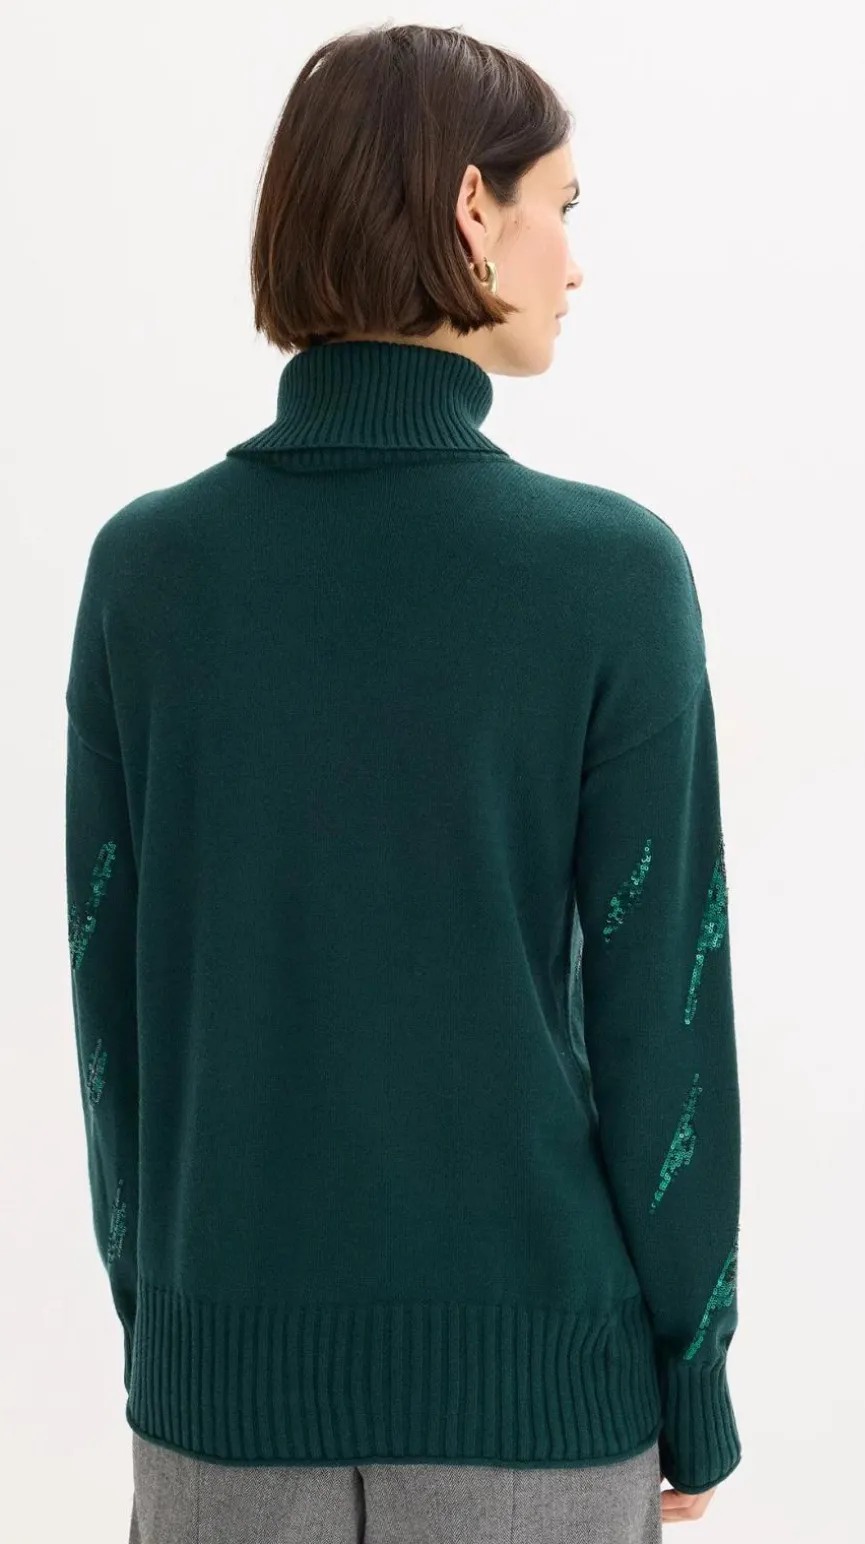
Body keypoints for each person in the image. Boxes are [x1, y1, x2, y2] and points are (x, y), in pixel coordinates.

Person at [64, 22, 742, 1543]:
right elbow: (663, 1018)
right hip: (532, 1417)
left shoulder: (147, 574)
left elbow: (113, 1018)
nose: (575, 263)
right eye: (560, 206)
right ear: (467, 210)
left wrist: (175, 1334)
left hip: (218, 1421)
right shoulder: (611, 575)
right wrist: (691, 1376)